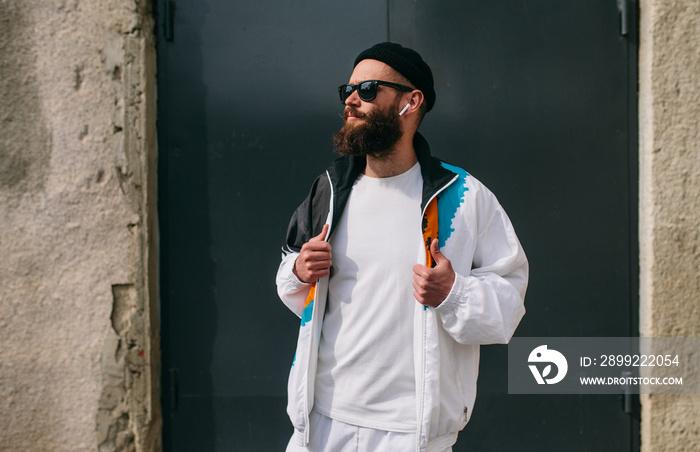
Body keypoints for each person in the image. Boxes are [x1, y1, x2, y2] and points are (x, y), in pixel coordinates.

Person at [276, 42, 528, 452]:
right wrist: (299, 271)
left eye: (369, 89)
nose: (352, 101)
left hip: (412, 432)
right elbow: (291, 281)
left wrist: (454, 293)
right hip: (320, 423)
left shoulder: (464, 196)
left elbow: (509, 303)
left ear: (411, 102)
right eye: (349, 90)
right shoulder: (329, 190)